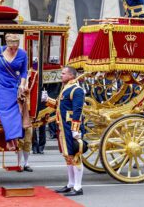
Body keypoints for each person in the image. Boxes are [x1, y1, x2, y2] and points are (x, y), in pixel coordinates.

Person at [42, 66, 85, 196]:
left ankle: (78, 187)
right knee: (68, 156)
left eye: (63, 73)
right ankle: (71, 184)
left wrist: (75, 129)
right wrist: (47, 100)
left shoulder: (76, 90)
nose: (61, 75)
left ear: (71, 76)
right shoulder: (66, 89)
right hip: (63, 127)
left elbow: (77, 110)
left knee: (75, 156)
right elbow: (59, 105)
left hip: (70, 127)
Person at [0, 33, 28, 150]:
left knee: (15, 111)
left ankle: (13, 138)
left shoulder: (23, 53)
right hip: (0, 83)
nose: (14, 50)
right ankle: (10, 139)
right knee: (4, 110)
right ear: (7, 44)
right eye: (12, 47)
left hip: (14, 84)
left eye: (16, 47)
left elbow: (24, 71)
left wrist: (22, 85)